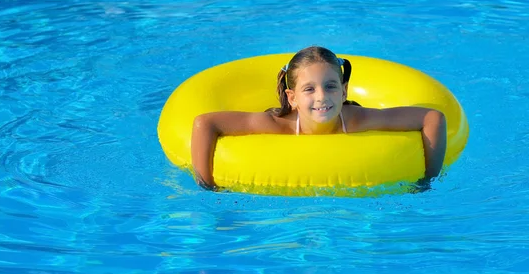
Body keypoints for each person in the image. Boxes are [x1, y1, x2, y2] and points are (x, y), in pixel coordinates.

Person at [190, 46, 447, 191]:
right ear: (292, 98)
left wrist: (427, 182)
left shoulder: (357, 119)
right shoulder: (278, 125)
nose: (322, 97)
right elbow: (205, 123)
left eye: (331, 86)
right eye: (309, 89)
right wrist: (206, 186)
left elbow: (433, 118)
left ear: (345, 90)